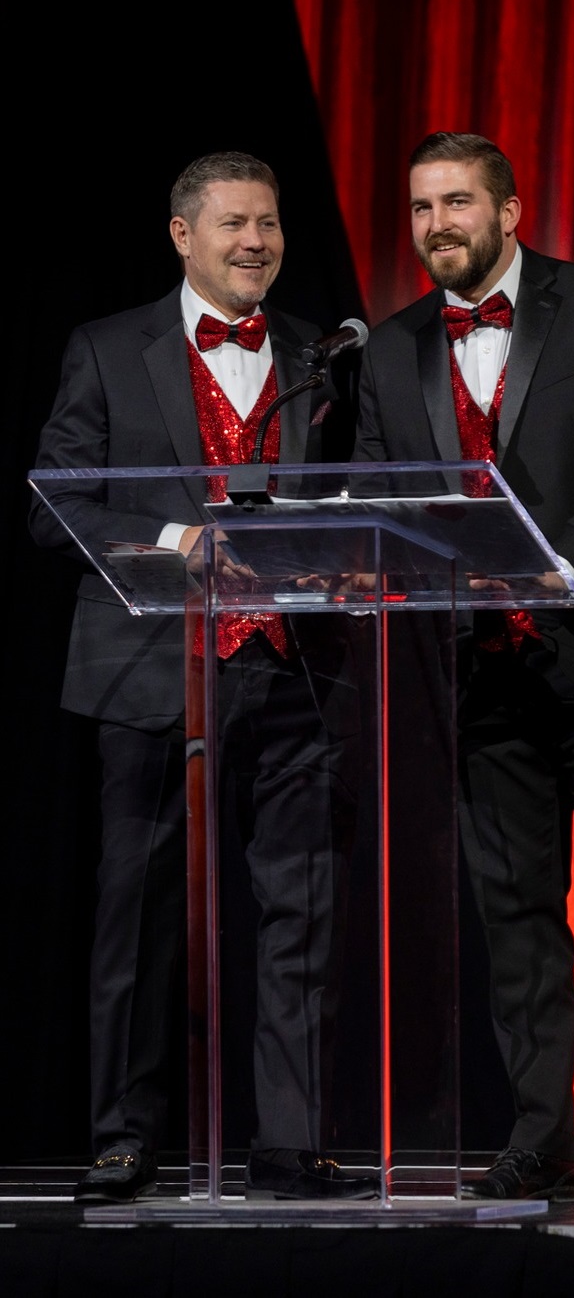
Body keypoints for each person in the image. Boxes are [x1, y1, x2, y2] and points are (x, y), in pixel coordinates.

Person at [355, 132, 574, 1203]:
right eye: (421, 208)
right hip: (476, 672)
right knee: (514, 911)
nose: (437, 226)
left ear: (509, 213)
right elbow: (383, 488)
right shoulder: (388, 347)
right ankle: (539, 1134)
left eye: (457, 203)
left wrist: (552, 575)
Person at [30, 151, 375, 1203]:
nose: (255, 243)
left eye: (267, 224)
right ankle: (124, 1135)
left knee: (300, 910)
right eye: (232, 224)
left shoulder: (324, 354)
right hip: (150, 667)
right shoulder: (107, 349)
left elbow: (360, 489)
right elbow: (54, 507)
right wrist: (177, 535)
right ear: (183, 236)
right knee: (135, 911)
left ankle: (289, 1139)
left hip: (292, 669)